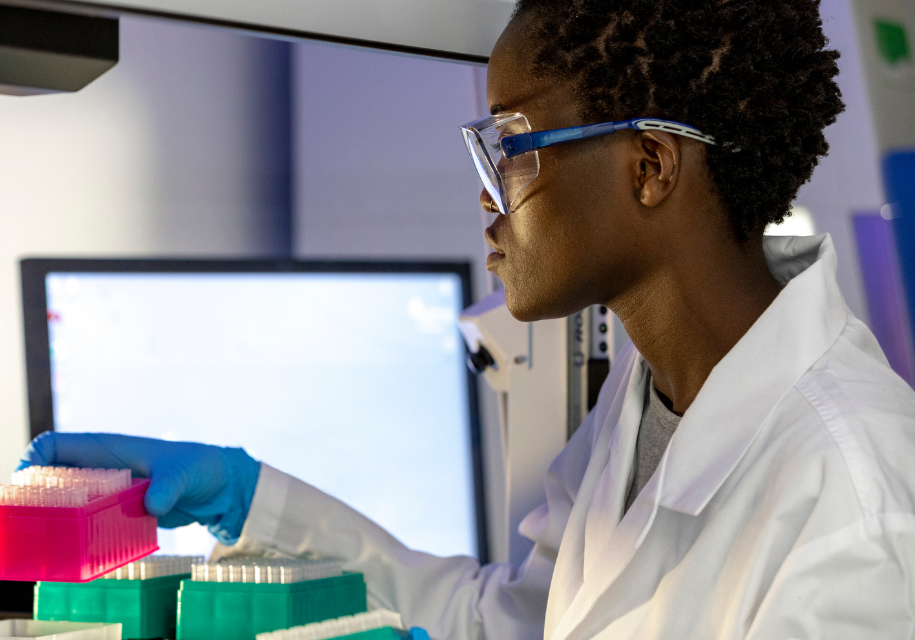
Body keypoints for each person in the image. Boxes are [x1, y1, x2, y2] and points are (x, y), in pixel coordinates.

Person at [20, 0, 915, 638]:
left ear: (649, 166)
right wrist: (248, 499)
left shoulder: (855, 506)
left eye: (510, 144)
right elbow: (497, 625)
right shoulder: (652, 403)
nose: (486, 196)